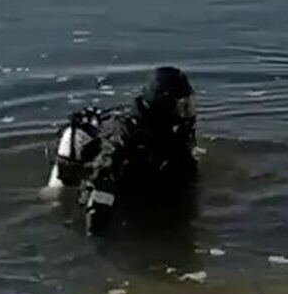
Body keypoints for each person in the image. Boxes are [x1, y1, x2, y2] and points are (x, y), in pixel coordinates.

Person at [47, 66, 199, 237]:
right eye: (184, 106)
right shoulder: (122, 144)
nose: (189, 113)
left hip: (140, 171)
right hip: (93, 166)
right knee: (55, 200)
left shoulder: (174, 132)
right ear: (164, 105)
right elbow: (98, 205)